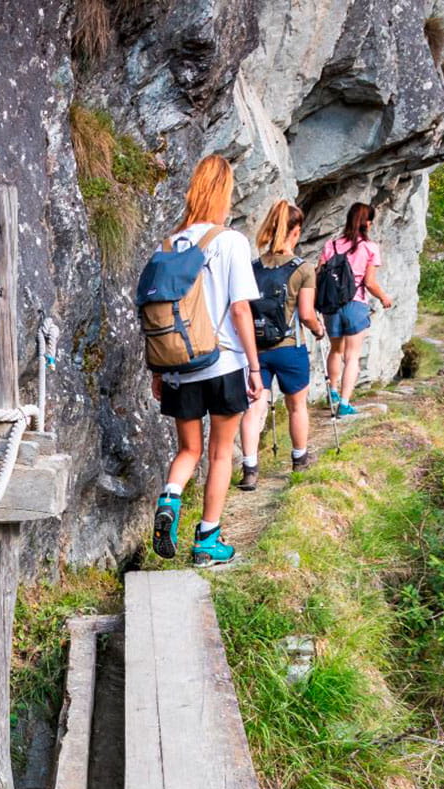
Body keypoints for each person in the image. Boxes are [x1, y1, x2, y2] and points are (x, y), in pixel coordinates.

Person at [150, 154, 261, 567]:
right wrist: (254, 368)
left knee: (188, 450)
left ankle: (170, 497)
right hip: (224, 364)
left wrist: (159, 370)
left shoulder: (168, 244)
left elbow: (159, 309)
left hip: (179, 366)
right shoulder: (230, 241)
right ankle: (207, 541)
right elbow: (239, 311)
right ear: (224, 193)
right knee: (220, 453)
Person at [238, 200, 326, 491]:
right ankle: (299, 459)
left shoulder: (252, 268)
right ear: (296, 231)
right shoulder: (303, 269)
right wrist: (318, 329)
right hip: (289, 348)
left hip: (256, 349)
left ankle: (250, 469)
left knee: (254, 407)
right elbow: (306, 314)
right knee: (297, 406)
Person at [320, 202, 395, 417]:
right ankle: (344, 404)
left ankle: (332, 392)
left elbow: (320, 274)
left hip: (331, 306)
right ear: (368, 223)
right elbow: (370, 282)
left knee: (335, 350)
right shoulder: (369, 248)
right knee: (352, 357)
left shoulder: (331, 245)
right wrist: (383, 298)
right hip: (355, 304)